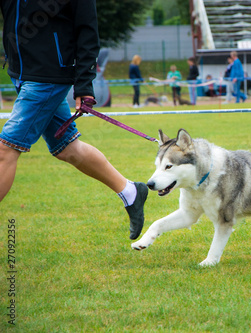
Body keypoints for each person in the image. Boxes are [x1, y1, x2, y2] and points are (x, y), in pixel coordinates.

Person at [0, 0, 148, 240]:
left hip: (48, 78)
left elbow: (88, 31)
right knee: (67, 148)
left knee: (5, 150)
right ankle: (131, 192)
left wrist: (84, 84)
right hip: (20, 73)